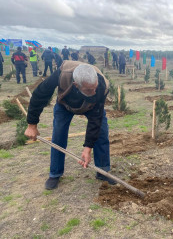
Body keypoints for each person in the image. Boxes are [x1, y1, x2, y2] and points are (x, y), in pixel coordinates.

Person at [24, 61, 116, 190]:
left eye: (94, 87)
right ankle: (55, 174)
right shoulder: (63, 74)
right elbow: (40, 95)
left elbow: (96, 119)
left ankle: (103, 171)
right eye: (89, 89)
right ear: (76, 85)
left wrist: (87, 148)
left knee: (101, 132)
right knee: (58, 136)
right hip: (64, 105)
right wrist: (32, 125)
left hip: (92, 107)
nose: (94, 91)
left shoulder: (101, 86)